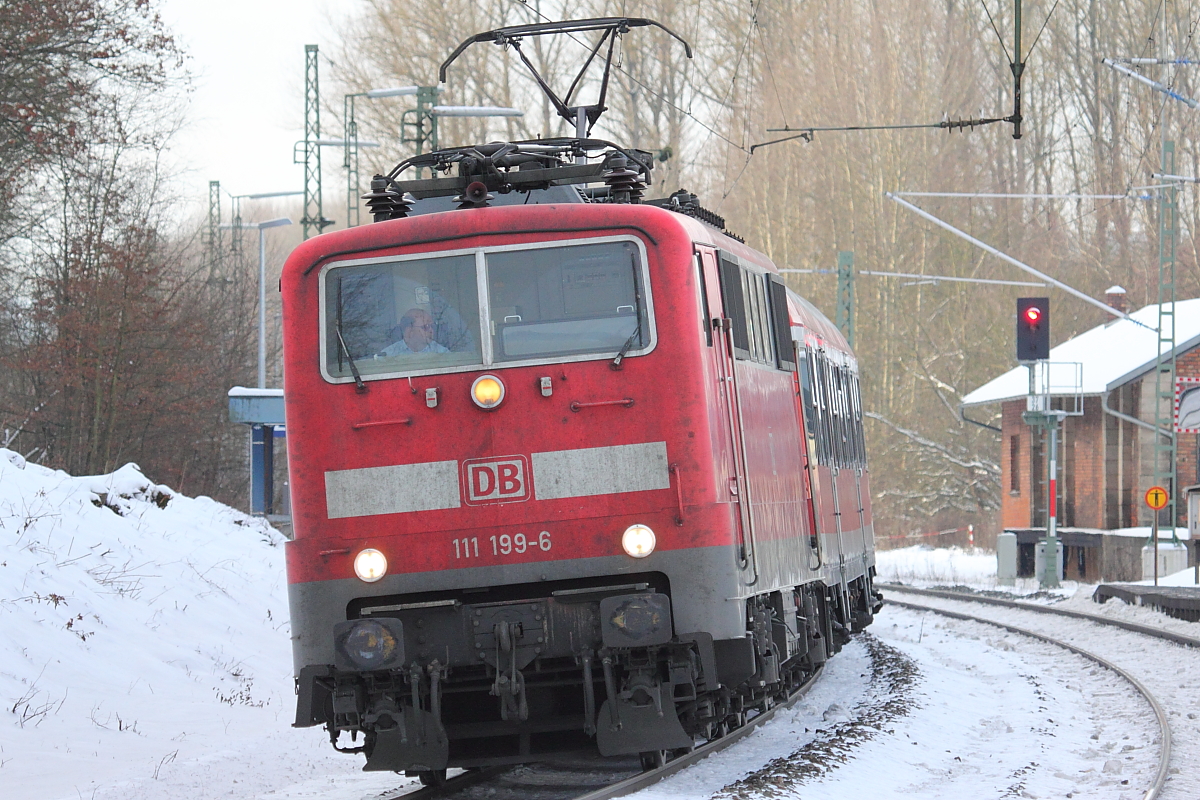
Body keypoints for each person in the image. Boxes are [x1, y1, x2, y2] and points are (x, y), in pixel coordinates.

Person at [378, 308, 449, 356]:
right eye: (426, 327)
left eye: (432, 326)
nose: (431, 330)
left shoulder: (442, 353)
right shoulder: (388, 355)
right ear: (409, 331)